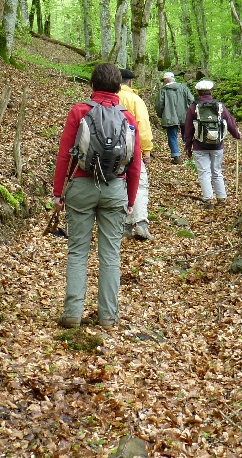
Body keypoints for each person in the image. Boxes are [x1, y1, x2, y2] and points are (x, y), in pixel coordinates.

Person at [52, 63, 141, 328]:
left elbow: (65, 154)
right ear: (119, 87)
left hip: (81, 186)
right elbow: (135, 163)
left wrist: (58, 193)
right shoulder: (128, 117)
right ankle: (108, 317)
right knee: (111, 255)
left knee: (78, 252)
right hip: (115, 189)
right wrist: (131, 200)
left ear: (92, 85)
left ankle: (72, 314)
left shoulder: (79, 111)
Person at [183, 80, 241, 210]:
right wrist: (237, 135)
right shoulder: (219, 106)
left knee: (204, 173)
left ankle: (208, 199)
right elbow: (230, 122)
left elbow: (188, 129)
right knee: (217, 171)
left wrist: (188, 146)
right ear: (211, 91)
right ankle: (221, 198)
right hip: (217, 145)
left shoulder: (194, 107)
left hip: (199, 146)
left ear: (197, 92)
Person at [118, 69, 154, 241]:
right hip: (132, 148)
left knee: (118, 184)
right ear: (130, 82)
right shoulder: (134, 99)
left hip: (109, 151)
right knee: (139, 184)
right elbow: (143, 125)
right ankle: (140, 223)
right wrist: (146, 150)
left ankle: (123, 225)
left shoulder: (109, 97)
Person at [154, 71, 194, 164]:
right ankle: (190, 155)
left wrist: (161, 115)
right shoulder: (184, 88)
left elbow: (159, 105)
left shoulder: (163, 91)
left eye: (164, 80)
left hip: (169, 116)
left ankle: (176, 157)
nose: (163, 81)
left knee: (172, 136)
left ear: (166, 79)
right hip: (185, 116)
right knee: (186, 135)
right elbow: (191, 100)